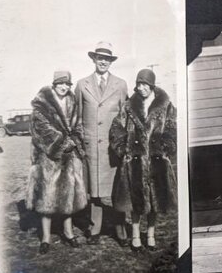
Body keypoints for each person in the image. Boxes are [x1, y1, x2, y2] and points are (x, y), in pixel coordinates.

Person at [110, 69, 177, 252]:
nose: (141, 89)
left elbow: (172, 128)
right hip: (135, 161)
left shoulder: (166, 106)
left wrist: (166, 147)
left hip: (157, 160)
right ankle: (135, 236)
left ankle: (151, 235)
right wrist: (123, 149)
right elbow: (116, 128)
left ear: (152, 86)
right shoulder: (128, 106)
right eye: (139, 85)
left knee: (155, 200)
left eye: (145, 85)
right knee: (136, 199)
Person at [25, 71, 89, 253]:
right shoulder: (41, 104)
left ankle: (68, 233)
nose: (64, 87)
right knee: (47, 197)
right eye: (61, 83)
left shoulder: (73, 102)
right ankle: (45, 238)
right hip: (48, 156)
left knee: (68, 195)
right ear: (54, 84)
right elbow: (41, 129)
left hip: (70, 156)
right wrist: (62, 143)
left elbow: (78, 126)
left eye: (67, 84)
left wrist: (75, 140)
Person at [74, 42, 129, 246]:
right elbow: (77, 117)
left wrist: (122, 143)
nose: (103, 61)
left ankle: (121, 231)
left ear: (111, 61)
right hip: (91, 150)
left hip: (113, 149)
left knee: (117, 190)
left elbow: (126, 117)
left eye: (107, 58)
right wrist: (82, 142)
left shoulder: (121, 84)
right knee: (95, 193)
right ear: (94, 59)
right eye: (100, 58)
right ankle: (94, 229)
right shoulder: (82, 84)